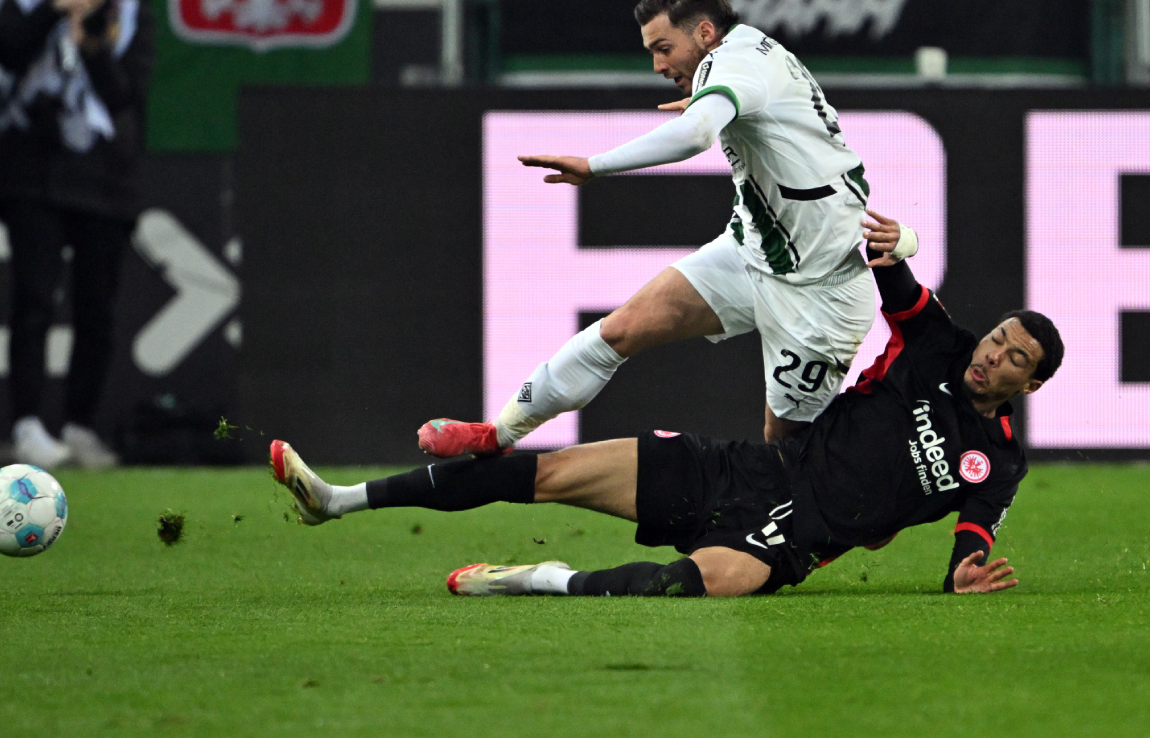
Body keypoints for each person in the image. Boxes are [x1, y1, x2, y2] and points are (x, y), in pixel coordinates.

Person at [273, 212, 1063, 597]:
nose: (993, 355)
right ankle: (337, 499)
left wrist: (963, 575)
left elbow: (973, 536)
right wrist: (889, 244)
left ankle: (539, 578)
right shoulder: (939, 345)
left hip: (794, 539)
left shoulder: (998, 461)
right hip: (746, 470)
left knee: (683, 586)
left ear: (1028, 386)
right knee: (541, 473)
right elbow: (892, 278)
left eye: (1013, 359)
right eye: (999, 338)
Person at [419, 0, 918, 459]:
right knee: (618, 330)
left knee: (787, 449)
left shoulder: (738, 63)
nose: (658, 65)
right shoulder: (739, 57)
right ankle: (497, 434)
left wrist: (593, 166)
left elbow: (695, 136)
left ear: (704, 32)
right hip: (751, 253)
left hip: (821, 292)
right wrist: (708, 104)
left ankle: (889, 493)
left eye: (663, 48)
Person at [0, 0, 152, 468]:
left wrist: (94, 45)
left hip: (103, 180)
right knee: (34, 299)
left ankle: (80, 423)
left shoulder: (131, 14)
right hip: (32, 172)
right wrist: (54, 10)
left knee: (96, 309)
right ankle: (27, 423)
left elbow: (124, 96)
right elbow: (5, 52)